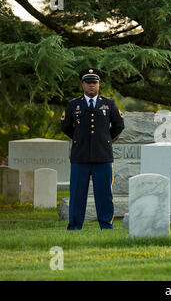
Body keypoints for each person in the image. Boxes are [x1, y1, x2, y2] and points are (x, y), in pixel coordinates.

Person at [61, 68, 125, 230]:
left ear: (99, 84)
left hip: (102, 156)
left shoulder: (108, 104)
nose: (91, 86)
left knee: (104, 195)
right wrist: (79, 139)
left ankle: (106, 225)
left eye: (94, 83)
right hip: (80, 157)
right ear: (82, 84)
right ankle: (75, 226)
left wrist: (105, 140)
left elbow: (119, 125)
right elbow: (66, 126)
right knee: (77, 194)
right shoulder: (73, 104)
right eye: (88, 83)